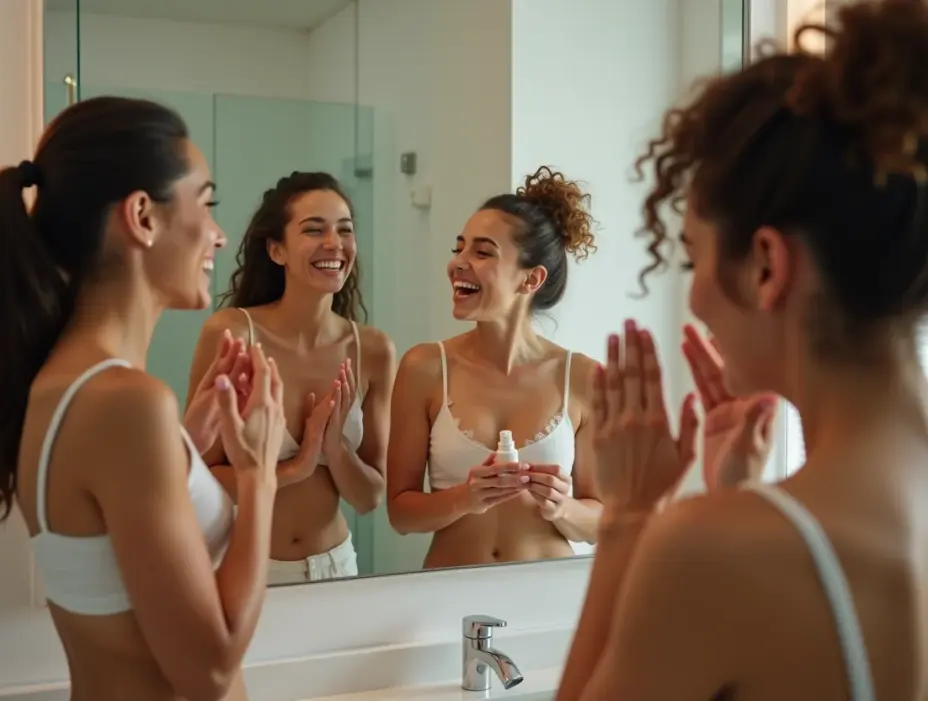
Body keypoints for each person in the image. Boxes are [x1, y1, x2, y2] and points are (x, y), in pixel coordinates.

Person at [556, 1, 928, 699]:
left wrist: (630, 514)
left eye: (692, 258)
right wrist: (741, 495)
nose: (694, 299)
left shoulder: (710, 553)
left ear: (765, 265)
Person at [0, 96, 286, 701]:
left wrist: (186, 452)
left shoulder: (66, 387)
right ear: (142, 217)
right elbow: (208, 671)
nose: (219, 235)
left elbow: (112, 556)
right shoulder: (127, 403)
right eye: (207, 205)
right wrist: (258, 476)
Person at [386, 166, 604, 569]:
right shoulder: (425, 368)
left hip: (545, 596)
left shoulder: (584, 378)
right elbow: (400, 514)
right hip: (449, 593)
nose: (457, 264)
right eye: (459, 249)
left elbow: (602, 521)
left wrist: (563, 508)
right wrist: (463, 499)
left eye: (482, 252)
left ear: (530, 279)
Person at [188, 171, 395, 585]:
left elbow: (370, 497)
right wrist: (295, 469)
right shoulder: (233, 334)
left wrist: (336, 449)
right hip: (247, 565)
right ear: (277, 250)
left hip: (336, 565)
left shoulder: (371, 349)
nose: (334, 243)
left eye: (345, 230)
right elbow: (196, 470)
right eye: (314, 230)